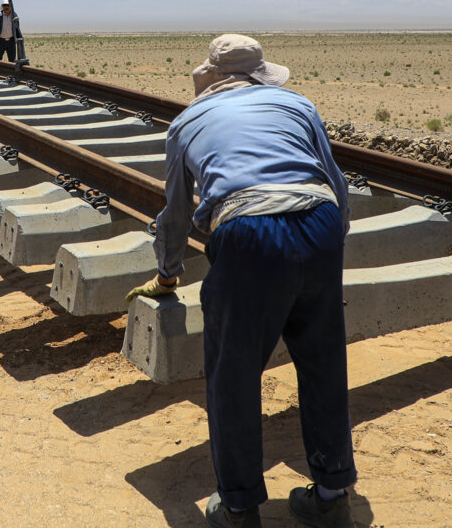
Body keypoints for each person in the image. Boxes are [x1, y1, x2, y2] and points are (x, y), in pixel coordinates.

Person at [126, 34, 357, 528]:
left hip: (248, 230)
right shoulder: (298, 104)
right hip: (319, 218)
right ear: (260, 74)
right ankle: (334, 494)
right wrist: (324, 249)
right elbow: (336, 182)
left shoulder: (187, 122)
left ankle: (238, 506)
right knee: (323, 361)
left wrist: (167, 274)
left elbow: (175, 216)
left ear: (212, 76)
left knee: (233, 373)